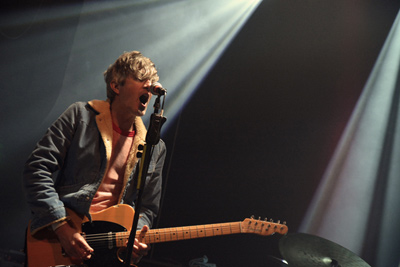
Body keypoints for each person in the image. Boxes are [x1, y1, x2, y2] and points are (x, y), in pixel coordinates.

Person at [23, 51, 166, 265]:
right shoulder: (80, 116)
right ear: (116, 86)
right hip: (61, 237)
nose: (149, 86)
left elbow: (147, 208)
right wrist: (61, 227)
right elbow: (37, 168)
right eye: (140, 78)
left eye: (151, 81)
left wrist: (134, 238)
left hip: (107, 252)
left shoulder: (153, 147)